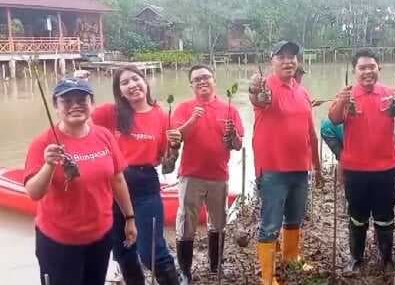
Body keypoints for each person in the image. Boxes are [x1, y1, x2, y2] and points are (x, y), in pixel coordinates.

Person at [23, 78, 137, 285]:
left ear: (92, 104)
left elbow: (117, 179)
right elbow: (34, 193)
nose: (75, 105)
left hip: (101, 235)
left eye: (82, 100)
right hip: (59, 241)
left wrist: (129, 217)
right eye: (67, 101)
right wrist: (49, 165)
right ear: (56, 106)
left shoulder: (104, 136)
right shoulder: (43, 142)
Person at [91, 66, 180, 285]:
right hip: (111, 186)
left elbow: (166, 167)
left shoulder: (162, 115)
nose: (132, 85)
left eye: (135, 79)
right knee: (122, 252)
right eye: (124, 83)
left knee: (152, 251)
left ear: (145, 81)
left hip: (145, 185)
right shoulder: (108, 113)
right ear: (119, 91)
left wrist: (175, 151)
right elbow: (79, 123)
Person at [328, 48, 395, 272]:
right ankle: (356, 257)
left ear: (378, 68)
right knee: (357, 216)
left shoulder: (390, 93)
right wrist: (342, 101)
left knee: (385, 216)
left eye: (371, 67)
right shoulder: (347, 93)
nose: (367, 71)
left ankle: (386, 258)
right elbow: (333, 119)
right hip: (355, 169)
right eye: (362, 68)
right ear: (355, 71)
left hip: (387, 167)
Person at [248, 41, 322, 285]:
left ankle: (291, 257)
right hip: (273, 169)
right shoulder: (265, 86)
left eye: (292, 57)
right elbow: (258, 98)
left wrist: (317, 167)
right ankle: (267, 278)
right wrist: (253, 88)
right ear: (272, 61)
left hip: (300, 168)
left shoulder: (302, 91)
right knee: (270, 224)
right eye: (282, 57)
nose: (288, 61)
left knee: (294, 218)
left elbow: (310, 131)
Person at [167, 64, 244, 283]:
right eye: (197, 79)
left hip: (219, 175)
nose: (202, 82)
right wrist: (193, 119)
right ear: (191, 85)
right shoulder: (184, 108)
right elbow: (175, 137)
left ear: (214, 80)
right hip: (190, 175)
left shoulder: (230, 109)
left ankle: (215, 265)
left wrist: (233, 135)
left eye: (206, 77)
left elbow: (237, 145)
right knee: (186, 223)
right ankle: (185, 271)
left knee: (218, 222)